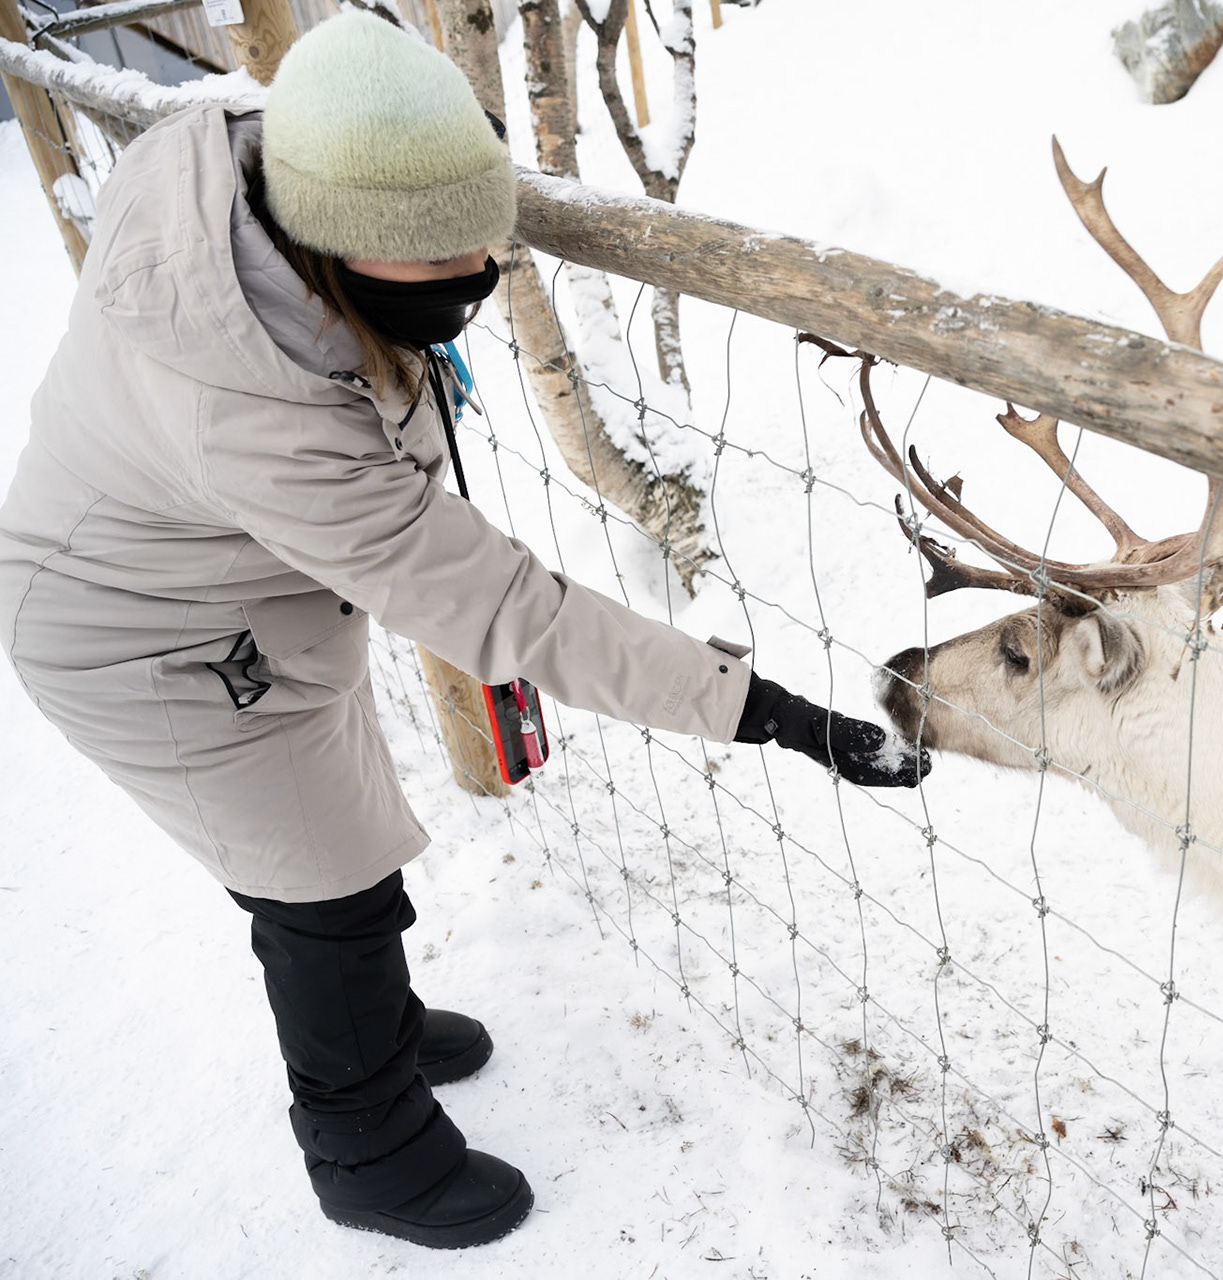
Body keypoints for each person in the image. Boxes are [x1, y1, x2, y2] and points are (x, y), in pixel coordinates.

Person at [0, 10, 927, 1251]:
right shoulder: (259, 414)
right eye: (451, 254)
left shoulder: (271, 164)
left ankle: (374, 1018)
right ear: (351, 250)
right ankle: (366, 1146)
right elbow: (506, 609)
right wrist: (772, 714)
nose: (486, 270)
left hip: (237, 592)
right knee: (319, 885)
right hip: (139, 636)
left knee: (336, 834)